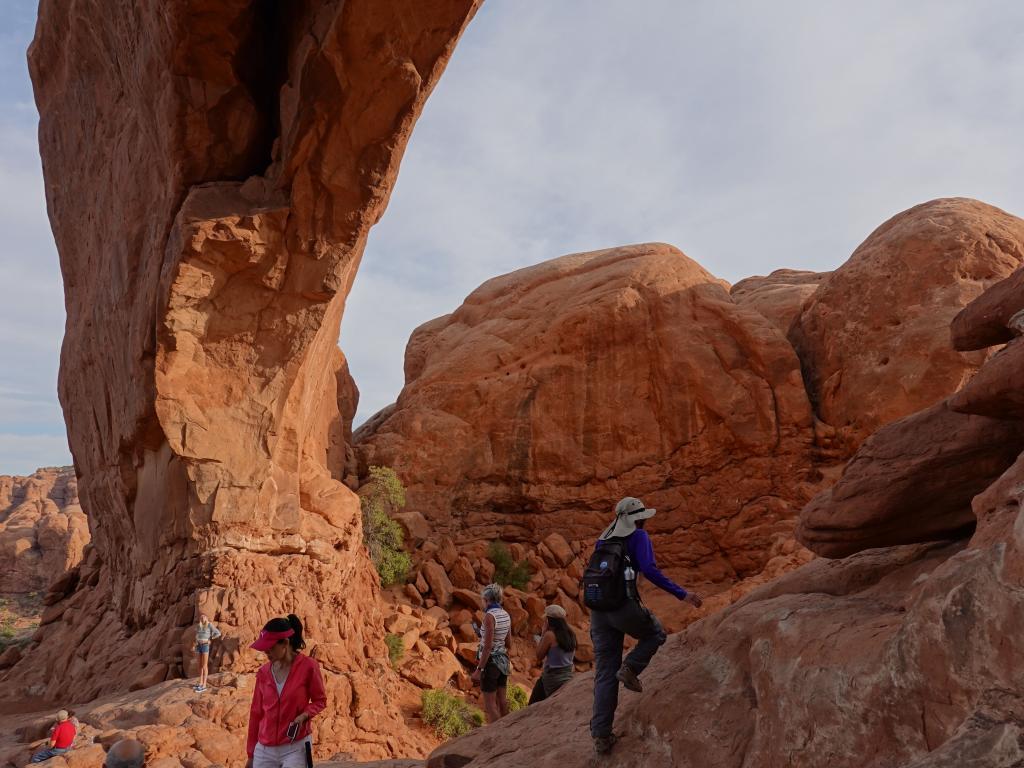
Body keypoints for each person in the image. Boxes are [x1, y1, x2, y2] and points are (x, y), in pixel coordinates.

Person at [589, 497, 703, 755]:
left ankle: (601, 736)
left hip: (598, 611)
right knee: (655, 633)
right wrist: (682, 594)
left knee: (605, 672)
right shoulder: (638, 536)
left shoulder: (604, 538)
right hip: (622, 607)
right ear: (637, 519)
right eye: (644, 518)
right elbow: (649, 570)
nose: (647, 522)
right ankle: (630, 667)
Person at [246, 614, 327, 768]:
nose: (266, 651)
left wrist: (305, 714)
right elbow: (256, 714)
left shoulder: (309, 667)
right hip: (265, 749)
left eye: (270, 647)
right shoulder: (263, 672)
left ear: (285, 643)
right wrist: (251, 754)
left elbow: (320, 700)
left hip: (296, 747)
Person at [471, 583, 512, 723]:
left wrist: (479, 669)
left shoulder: (489, 616)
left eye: (483, 600)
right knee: (502, 701)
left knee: (490, 704)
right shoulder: (505, 614)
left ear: (487, 600)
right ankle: (508, 729)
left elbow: (487, 647)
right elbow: (509, 643)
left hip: (491, 664)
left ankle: (498, 736)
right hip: (503, 662)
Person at [528, 604, 576, 705]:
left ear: (549, 620)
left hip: (552, 678)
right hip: (567, 675)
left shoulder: (549, 635)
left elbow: (539, 656)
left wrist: (543, 634)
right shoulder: (571, 634)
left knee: (532, 705)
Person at [194, 613, 222, 692]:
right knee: (199, 665)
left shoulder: (209, 625)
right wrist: (196, 642)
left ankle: (204, 685)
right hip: (198, 646)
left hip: (205, 645)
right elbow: (197, 635)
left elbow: (218, 633)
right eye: (201, 617)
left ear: (206, 618)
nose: (202, 618)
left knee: (204, 665)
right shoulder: (199, 626)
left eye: (204, 617)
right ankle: (200, 682)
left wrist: (211, 639)